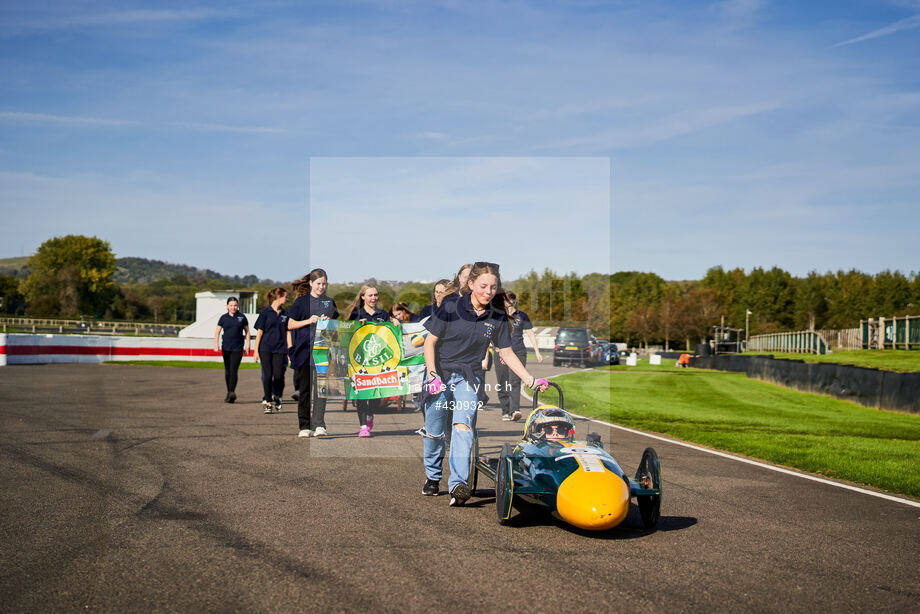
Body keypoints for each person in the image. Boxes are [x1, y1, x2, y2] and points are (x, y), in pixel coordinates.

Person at [420, 262, 548, 504]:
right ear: (470, 285)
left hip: (469, 377)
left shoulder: (497, 316)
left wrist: (530, 380)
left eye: (493, 287)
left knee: (463, 427)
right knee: (434, 432)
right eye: (483, 286)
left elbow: (507, 353)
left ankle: (458, 485)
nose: (488, 292)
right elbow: (430, 342)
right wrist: (432, 373)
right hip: (441, 373)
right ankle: (433, 477)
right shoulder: (450, 306)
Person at [286, 268, 339, 438]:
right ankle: (304, 425)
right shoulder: (301, 303)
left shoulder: (330, 302)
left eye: (324, 284)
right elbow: (290, 324)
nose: (321, 287)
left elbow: (337, 327)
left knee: (321, 390)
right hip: (304, 352)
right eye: (318, 284)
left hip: (323, 352)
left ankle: (319, 425)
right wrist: (309, 320)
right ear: (310, 283)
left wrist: (329, 322)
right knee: (305, 390)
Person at [346, 284, 398, 437]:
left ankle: (370, 414)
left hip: (379, 360)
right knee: (362, 393)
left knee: (376, 394)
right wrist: (356, 326)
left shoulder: (382, 314)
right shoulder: (356, 314)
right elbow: (347, 333)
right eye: (370, 295)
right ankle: (363, 426)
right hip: (360, 360)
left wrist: (394, 323)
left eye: (376, 295)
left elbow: (390, 333)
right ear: (363, 297)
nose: (374, 298)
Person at [494, 291, 543, 422]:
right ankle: (505, 410)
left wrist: (537, 351)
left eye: (511, 299)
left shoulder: (522, 316)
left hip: (518, 351)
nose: (509, 302)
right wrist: (497, 350)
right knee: (503, 382)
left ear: (514, 301)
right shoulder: (498, 316)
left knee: (515, 382)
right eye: (506, 299)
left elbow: (531, 334)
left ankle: (514, 410)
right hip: (501, 352)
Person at [253, 287, 289, 414]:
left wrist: (289, 348)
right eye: (285, 296)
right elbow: (259, 333)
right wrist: (255, 351)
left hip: (280, 349)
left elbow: (287, 331)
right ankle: (268, 402)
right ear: (278, 297)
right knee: (267, 376)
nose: (287, 298)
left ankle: (277, 396)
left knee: (279, 375)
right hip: (265, 348)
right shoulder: (265, 313)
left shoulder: (285, 314)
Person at [214, 296, 250, 403]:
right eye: (231, 305)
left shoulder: (242, 317)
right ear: (227, 306)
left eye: (235, 305)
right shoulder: (223, 318)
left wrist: (248, 345)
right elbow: (217, 332)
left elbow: (247, 332)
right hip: (226, 347)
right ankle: (229, 392)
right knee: (227, 371)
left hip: (238, 348)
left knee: (234, 369)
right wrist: (216, 345)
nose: (233, 307)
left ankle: (232, 392)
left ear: (237, 306)